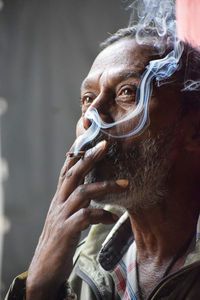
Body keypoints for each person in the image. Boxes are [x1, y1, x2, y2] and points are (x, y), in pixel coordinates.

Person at [5, 26, 200, 300]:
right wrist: (39, 289)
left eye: (126, 92)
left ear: (194, 130)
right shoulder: (83, 267)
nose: (90, 118)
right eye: (87, 99)